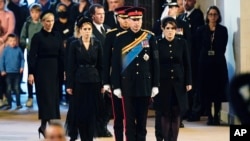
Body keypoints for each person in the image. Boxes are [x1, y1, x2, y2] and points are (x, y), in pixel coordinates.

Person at [111, 7, 160, 141]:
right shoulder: (120, 38)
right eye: (134, 20)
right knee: (129, 122)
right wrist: (116, 85)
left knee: (142, 122)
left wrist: (155, 84)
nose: (136, 23)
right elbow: (115, 64)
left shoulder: (150, 37)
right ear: (129, 20)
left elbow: (155, 63)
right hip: (127, 85)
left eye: (139, 20)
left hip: (145, 85)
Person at [154, 17, 192, 141]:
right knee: (164, 112)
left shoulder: (182, 43)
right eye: (168, 28)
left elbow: (187, 64)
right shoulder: (157, 43)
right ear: (163, 29)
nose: (170, 31)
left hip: (178, 83)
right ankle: (164, 138)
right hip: (163, 83)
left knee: (176, 113)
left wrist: (188, 81)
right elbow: (154, 65)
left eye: (173, 29)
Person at [66, 16, 103, 141]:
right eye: (85, 29)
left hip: (94, 80)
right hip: (79, 81)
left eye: (89, 29)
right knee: (80, 112)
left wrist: (103, 84)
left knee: (92, 111)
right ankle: (82, 137)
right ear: (80, 30)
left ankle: (90, 138)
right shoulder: (74, 44)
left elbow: (102, 65)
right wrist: (69, 85)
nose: (87, 31)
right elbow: (70, 66)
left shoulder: (97, 44)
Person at [28, 10, 64, 138]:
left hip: (55, 69)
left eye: (52, 21)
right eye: (47, 21)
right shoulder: (37, 37)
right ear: (43, 22)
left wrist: (63, 71)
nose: (50, 23)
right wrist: (31, 73)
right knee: (45, 98)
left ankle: (44, 127)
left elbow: (62, 54)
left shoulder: (58, 35)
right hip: (42, 70)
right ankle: (50, 126)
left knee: (53, 98)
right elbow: (31, 56)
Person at [196, 6, 228, 125]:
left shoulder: (223, 30)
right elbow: (198, 47)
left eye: (215, 14)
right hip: (205, 64)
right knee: (207, 91)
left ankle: (217, 115)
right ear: (207, 16)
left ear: (218, 16)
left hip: (218, 64)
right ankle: (209, 115)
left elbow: (223, 47)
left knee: (218, 91)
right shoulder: (201, 30)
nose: (213, 17)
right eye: (210, 14)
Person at [102, 6, 131, 141]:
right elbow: (106, 60)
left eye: (128, 18)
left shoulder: (137, 35)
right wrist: (106, 81)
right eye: (123, 18)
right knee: (118, 115)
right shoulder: (111, 35)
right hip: (117, 79)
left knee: (132, 116)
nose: (126, 21)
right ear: (117, 18)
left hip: (133, 80)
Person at [178, 0, 205, 122]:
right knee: (185, 84)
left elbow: (195, 38)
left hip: (194, 56)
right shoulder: (181, 17)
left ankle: (195, 111)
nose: (186, 3)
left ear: (194, 1)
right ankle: (185, 110)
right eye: (184, 0)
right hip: (184, 56)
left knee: (194, 84)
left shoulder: (197, 16)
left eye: (188, 0)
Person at [88, 3, 112, 137]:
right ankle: (96, 126)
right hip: (96, 70)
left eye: (103, 13)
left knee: (109, 101)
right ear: (92, 16)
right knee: (97, 100)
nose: (102, 16)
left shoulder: (107, 29)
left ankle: (103, 125)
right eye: (99, 14)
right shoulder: (89, 30)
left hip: (108, 70)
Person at [20, 3, 43, 108]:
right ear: (30, 13)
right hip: (30, 53)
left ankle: (40, 97)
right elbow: (22, 37)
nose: (34, 14)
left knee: (40, 76)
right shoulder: (27, 24)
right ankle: (30, 97)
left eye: (37, 12)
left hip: (42, 53)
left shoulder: (42, 24)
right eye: (32, 12)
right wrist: (26, 45)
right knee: (31, 74)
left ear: (40, 13)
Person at [0, 33, 24, 110]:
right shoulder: (5, 50)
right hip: (8, 73)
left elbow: (22, 59)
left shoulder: (19, 49)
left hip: (16, 73)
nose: (13, 42)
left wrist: (22, 67)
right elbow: (2, 60)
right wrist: (2, 70)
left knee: (16, 88)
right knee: (8, 89)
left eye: (14, 40)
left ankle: (18, 104)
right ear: (7, 41)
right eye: (10, 41)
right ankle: (9, 104)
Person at [0, 0, 15, 108]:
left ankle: (6, 97)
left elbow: (11, 30)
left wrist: (1, 39)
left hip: (5, 45)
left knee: (5, 74)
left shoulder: (9, 14)